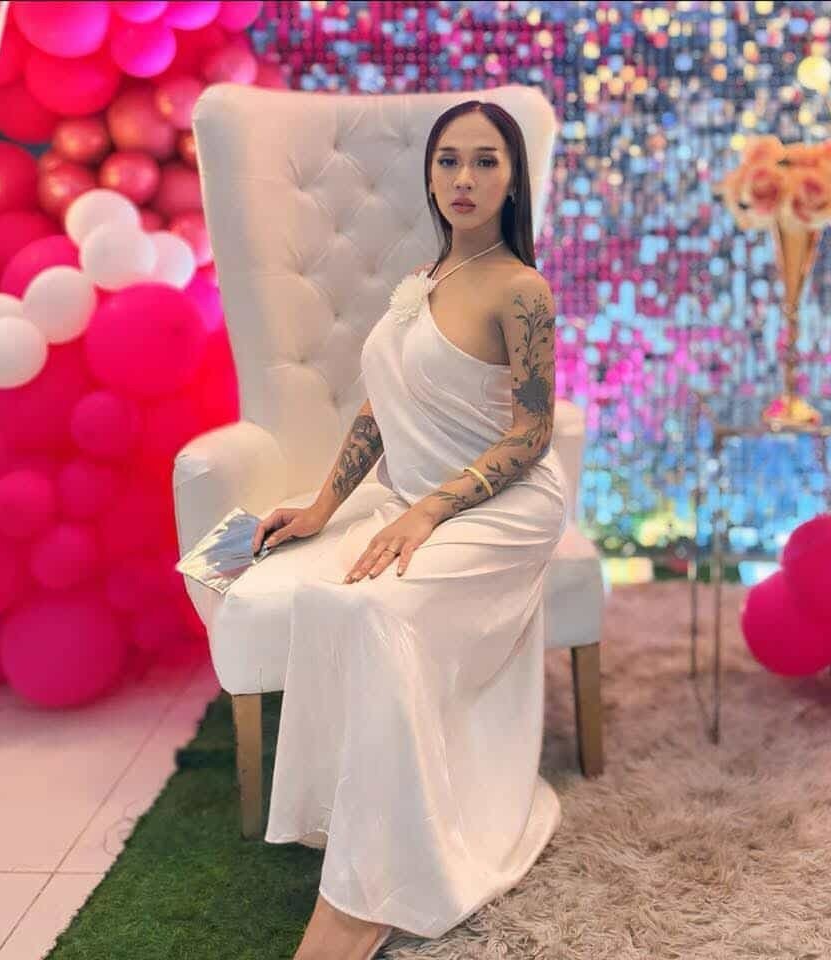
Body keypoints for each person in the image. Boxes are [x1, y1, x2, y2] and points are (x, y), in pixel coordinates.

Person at [251, 99, 568, 960]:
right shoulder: (421, 278)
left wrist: (430, 507)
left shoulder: (522, 289)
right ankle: (356, 822)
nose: (465, 178)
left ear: (514, 180)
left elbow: (533, 433)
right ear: (429, 175)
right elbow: (379, 409)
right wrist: (321, 508)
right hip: (426, 497)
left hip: (507, 504)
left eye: (487, 161)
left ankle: (367, 897)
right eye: (449, 160)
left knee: (374, 611)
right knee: (329, 600)